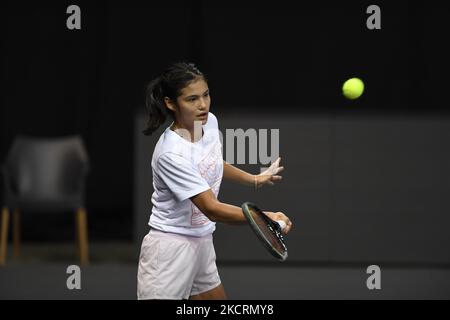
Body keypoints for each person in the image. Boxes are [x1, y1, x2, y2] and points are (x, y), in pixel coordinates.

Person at [137, 62, 293, 300]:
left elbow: (211, 162)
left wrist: (254, 179)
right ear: (171, 103)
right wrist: (265, 218)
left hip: (202, 241)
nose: (202, 105)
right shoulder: (171, 153)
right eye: (191, 99)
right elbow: (212, 208)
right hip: (170, 250)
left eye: (206, 95)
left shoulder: (208, 123)